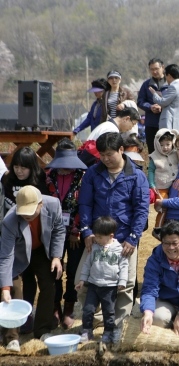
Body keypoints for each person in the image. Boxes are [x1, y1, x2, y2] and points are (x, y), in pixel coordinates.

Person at [76, 132, 149, 334]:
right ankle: (97, 320)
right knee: (81, 283)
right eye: (102, 155)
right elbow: (85, 204)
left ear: (121, 150)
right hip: (96, 238)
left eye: (109, 154)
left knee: (124, 286)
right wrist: (87, 231)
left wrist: (133, 238)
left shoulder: (136, 176)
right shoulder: (92, 173)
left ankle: (119, 327)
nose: (105, 159)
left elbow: (141, 210)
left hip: (124, 238)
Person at [0, 186, 65, 351]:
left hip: (41, 251)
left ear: (41, 204)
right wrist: (5, 288)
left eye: (31, 211)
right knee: (13, 293)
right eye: (24, 212)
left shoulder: (54, 204)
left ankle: (42, 329)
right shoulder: (9, 221)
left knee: (49, 284)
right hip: (17, 255)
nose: (27, 215)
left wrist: (57, 257)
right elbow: (6, 256)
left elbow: (59, 230)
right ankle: (11, 338)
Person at [2, 146, 51, 331]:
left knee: (38, 278)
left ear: (32, 167)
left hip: (36, 239)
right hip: (13, 238)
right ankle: (21, 316)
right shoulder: (8, 181)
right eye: (16, 167)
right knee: (20, 278)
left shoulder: (39, 182)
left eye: (24, 167)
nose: (19, 171)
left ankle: (35, 316)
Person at [44, 138, 88, 330]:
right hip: (53, 231)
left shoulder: (83, 176)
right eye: (61, 165)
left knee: (73, 271)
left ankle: (69, 306)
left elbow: (85, 205)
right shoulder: (48, 177)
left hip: (75, 233)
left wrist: (76, 231)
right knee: (55, 270)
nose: (64, 169)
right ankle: (55, 306)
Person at [75, 216, 128, 344]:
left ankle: (108, 332)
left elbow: (124, 266)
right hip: (93, 285)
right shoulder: (94, 247)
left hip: (109, 287)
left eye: (100, 237)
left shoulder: (119, 249)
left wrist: (122, 281)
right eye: (96, 236)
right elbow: (87, 264)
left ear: (110, 235)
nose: (97, 240)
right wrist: (82, 279)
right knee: (88, 310)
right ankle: (87, 330)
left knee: (108, 311)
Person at [148, 129, 179, 234]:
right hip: (161, 187)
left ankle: (172, 228)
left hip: (175, 185)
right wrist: (151, 184)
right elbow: (151, 170)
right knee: (163, 208)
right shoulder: (154, 156)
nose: (165, 147)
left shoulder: (176, 153)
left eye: (168, 144)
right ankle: (158, 228)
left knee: (174, 207)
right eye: (162, 145)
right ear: (157, 144)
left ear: (172, 143)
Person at [137, 58, 167, 154]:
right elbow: (140, 101)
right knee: (153, 152)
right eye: (151, 69)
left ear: (162, 67)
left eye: (156, 68)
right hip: (151, 124)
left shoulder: (170, 83)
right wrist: (150, 107)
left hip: (166, 123)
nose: (154, 71)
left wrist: (162, 107)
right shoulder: (146, 84)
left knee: (167, 151)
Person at [149, 64, 179, 133]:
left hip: (170, 122)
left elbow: (162, 102)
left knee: (167, 142)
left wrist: (154, 94)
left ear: (169, 75)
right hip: (178, 123)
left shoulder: (173, 87)